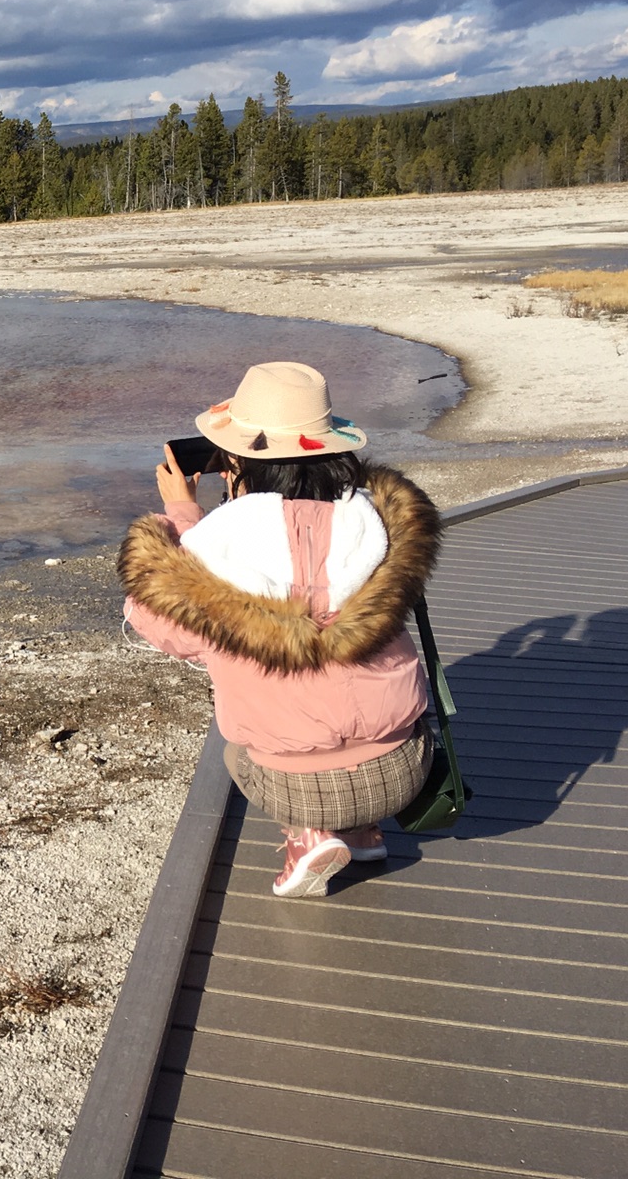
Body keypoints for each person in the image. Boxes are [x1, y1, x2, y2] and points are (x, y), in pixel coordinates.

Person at [118, 361, 442, 898]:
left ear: (235, 460)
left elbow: (161, 623)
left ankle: (308, 838)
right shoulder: (377, 525)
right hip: (404, 771)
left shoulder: (222, 541)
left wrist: (181, 512)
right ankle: (363, 833)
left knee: (235, 754)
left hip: (294, 788)